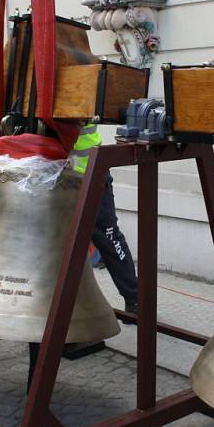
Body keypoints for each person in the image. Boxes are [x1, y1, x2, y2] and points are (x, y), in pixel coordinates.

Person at [72, 123, 139, 313]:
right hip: (66, 177)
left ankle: (134, 298)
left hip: (91, 177)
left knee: (109, 238)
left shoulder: (78, 102)